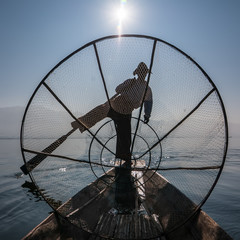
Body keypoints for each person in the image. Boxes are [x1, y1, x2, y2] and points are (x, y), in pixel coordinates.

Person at [72, 62, 153, 211]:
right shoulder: (131, 82)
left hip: (127, 109)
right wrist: (127, 84)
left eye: (144, 72)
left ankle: (123, 160)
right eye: (140, 72)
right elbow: (117, 89)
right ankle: (81, 122)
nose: (142, 74)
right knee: (102, 110)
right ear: (137, 72)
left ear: (146, 74)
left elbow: (148, 103)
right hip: (118, 103)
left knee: (125, 137)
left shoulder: (147, 89)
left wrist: (147, 114)